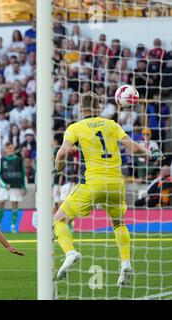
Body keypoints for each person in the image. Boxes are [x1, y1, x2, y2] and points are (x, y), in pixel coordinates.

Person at [53, 91, 163, 287]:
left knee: (59, 220)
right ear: (99, 107)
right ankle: (125, 263)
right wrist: (151, 155)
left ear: (81, 108)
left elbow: (62, 152)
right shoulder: (111, 124)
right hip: (116, 182)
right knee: (118, 223)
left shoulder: (75, 127)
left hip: (92, 183)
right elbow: (135, 149)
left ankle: (70, 252)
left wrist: (57, 168)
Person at [0, 142, 27, 233]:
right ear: (5, 150)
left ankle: (13, 226)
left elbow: (23, 173)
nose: (10, 150)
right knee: (1, 203)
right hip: (5, 187)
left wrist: (24, 187)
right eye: (8, 148)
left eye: (12, 148)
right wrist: (4, 185)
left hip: (16, 186)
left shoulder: (19, 160)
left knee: (15, 204)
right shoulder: (1, 160)